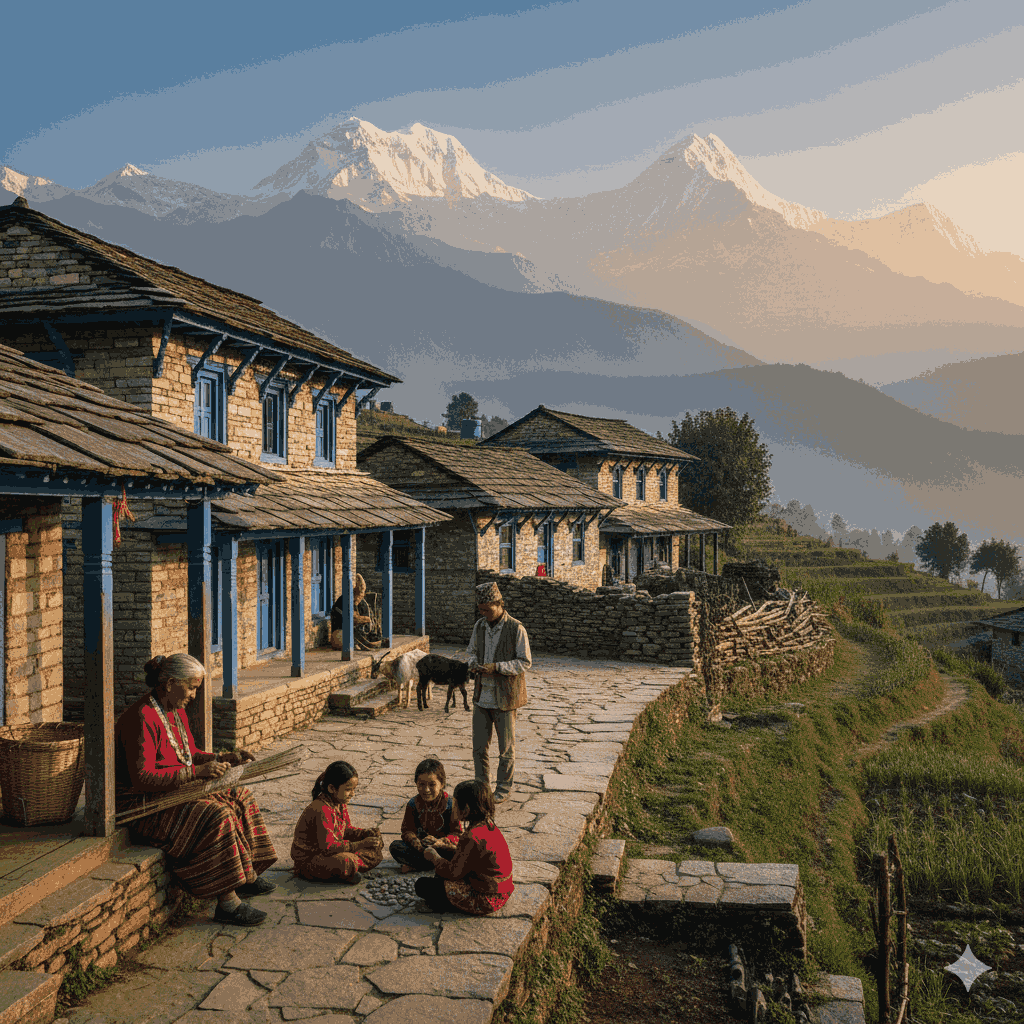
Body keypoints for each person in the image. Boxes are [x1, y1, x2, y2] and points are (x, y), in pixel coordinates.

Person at [115, 653, 277, 927]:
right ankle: (227, 903)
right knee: (216, 815)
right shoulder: (141, 717)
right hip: (141, 803)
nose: (193, 695)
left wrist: (224, 758)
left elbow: (188, 753)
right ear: (169, 684)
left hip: (170, 791)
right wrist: (195, 773)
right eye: (190, 687)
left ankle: (246, 874)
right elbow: (142, 777)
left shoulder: (174, 712)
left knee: (240, 796)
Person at [466, 581, 531, 804]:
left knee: (506, 749)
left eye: (487, 609)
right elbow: (471, 652)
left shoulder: (516, 628)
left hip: (505, 697)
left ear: (499, 604)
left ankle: (503, 789)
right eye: (481, 610)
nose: (484, 614)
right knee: (479, 748)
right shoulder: (480, 627)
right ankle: (482, 788)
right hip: (482, 696)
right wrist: (474, 664)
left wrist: (498, 667)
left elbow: (525, 662)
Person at [415, 780, 514, 914]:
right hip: (501, 890)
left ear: (466, 809)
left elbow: (453, 872)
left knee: (422, 885)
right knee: (444, 851)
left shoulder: (472, 836)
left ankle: (446, 904)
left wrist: (434, 858)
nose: (452, 808)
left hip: (487, 898)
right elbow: (471, 857)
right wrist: (445, 847)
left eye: (455, 804)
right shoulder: (488, 825)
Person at [290, 761, 384, 882]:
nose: (353, 794)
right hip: (311, 860)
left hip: (330, 853)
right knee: (346, 861)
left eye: (354, 789)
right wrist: (361, 844)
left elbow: (345, 830)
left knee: (375, 850)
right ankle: (345, 871)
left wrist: (364, 834)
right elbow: (328, 847)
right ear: (331, 788)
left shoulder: (340, 803)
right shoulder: (321, 809)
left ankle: (346, 872)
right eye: (348, 790)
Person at [389, 757, 463, 874]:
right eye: (421, 784)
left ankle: (419, 865)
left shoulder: (451, 804)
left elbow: (457, 834)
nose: (426, 789)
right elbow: (407, 831)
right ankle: (433, 865)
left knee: (459, 852)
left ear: (442, 784)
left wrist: (440, 842)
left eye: (432, 785)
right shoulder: (413, 804)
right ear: (416, 783)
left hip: (442, 849)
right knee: (395, 846)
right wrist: (415, 842)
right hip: (422, 849)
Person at [330, 573, 377, 650]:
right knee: (344, 636)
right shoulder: (343, 601)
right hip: (340, 632)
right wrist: (364, 619)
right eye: (358, 596)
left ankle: (365, 642)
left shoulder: (361, 603)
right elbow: (353, 619)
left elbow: (366, 619)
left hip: (354, 632)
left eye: (361, 596)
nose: (359, 599)